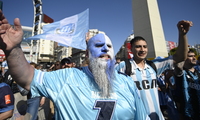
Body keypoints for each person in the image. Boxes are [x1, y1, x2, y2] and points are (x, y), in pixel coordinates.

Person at [0, 10, 149, 120]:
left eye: (109, 46)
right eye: (98, 45)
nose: (105, 49)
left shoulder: (127, 83)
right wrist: (13, 49)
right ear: (87, 55)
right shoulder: (67, 77)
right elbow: (27, 78)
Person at [115, 20, 192, 120]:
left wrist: (182, 35)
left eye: (145, 47)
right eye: (138, 47)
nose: (142, 50)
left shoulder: (154, 65)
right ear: (131, 49)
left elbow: (180, 57)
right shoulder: (122, 67)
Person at [174, 49, 200, 120]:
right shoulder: (181, 72)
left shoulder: (198, 72)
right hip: (188, 113)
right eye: (190, 56)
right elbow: (178, 66)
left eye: (194, 56)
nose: (194, 58)